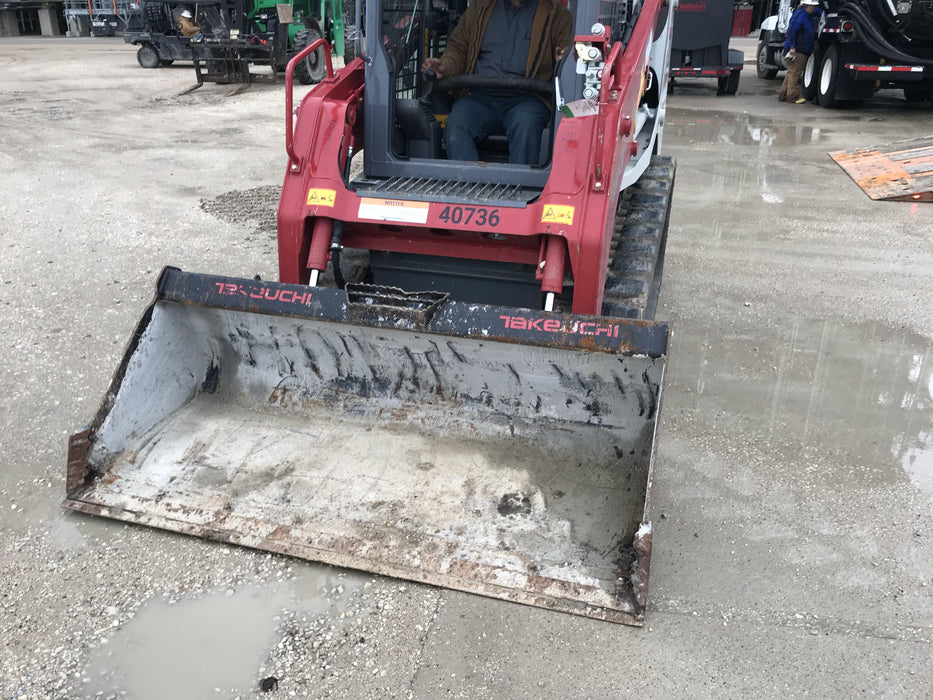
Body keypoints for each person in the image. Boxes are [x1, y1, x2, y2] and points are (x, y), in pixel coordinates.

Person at [421, 0, 573, 165]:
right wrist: (444, 66)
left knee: (526, 125)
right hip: (482, 97)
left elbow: (568, 54)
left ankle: (519, 188)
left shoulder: (557, 15)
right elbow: (458, 48)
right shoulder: (480, 8)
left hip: (529, 98)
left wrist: (564, 61)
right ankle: (467, 186)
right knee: (457, 123)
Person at [778, 0, 823, 104]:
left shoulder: (805, 14)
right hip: (798, 50)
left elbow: (818, 12)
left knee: (791, 73)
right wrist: (792, 47)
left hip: (801, 49)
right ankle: (792, 97)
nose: (814, 8)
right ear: (807, 5)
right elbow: (791, 31)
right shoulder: (800, 16)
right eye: (813, 6)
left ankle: (783, 95)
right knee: (795, 73)